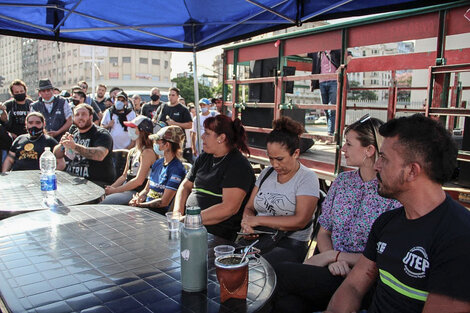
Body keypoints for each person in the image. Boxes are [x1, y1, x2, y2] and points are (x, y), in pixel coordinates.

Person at [326, 114, 470, 313]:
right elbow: (352, 287)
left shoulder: (459, 238)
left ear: (412, 171)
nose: (376, 165)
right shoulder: (387, 222)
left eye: (384, 158)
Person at [272, 114, 401, 313]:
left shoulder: (389, 192)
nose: (343, 149)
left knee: (280, 272)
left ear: (369, 150)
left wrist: (337, 256)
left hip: (363, 279)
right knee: (287, 305)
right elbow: (324, 232)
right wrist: (331, 258)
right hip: (330, 268)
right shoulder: (342, 181)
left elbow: (382, 255)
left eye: (349, 144)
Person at [240, 117, 320, 266]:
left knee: (252, 267)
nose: (274, 164)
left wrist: (258, 220)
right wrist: (248, 224)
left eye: (280, 159)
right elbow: (250, 207)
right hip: (260, 238)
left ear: (296, 153)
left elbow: (300, 221)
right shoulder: (267, 174)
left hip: (289, 243)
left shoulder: (307, 178)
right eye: (270, 158)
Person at [174, 115, 255, 241]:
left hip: (216, 236)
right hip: (190, 227)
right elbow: (185, 186)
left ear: (221, 138)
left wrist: (190, 219)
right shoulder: (204, 157)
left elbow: (228, 208)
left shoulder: (238, 165)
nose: (202, 137)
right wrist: (177, 214)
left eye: (207, 133)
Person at [54, 103, 115, 187]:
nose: (80, 117)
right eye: (77, 115)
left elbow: (100, 155)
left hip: (96, 183)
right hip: (73, 180)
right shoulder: (73, 134)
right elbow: (56, 154)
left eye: (83, 114)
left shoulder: (101, 134)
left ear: (91, 117)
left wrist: (75, 147)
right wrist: (63, 144)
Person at [129, 125, 187, 214]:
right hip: (146, 210)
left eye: (157, 142)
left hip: (159, 215)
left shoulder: (177, 169)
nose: (154, 144)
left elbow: (164, 202)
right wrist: (138, 199)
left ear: (167, 145)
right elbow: (146, 190)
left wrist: (141, 205)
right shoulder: (158, 163)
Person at [101, 116, 156, 204]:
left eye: (133, 127)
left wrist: (115, 191)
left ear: (141, 130)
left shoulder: (147, 152)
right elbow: (124, 176)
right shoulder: (132, 151)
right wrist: (110, 189)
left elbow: (139, 181)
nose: (129, 129)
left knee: (104, 203)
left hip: (136, 192)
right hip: (126, 189)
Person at [309, 49, 341, 137]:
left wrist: (340, 69)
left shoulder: (336, 50)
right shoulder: (317, 52)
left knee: (332, 108)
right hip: (322, 82)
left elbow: (349, 56)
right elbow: (305, 53)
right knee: (326, 109)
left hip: (334, 81)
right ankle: (330, 131)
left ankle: (331, 133)